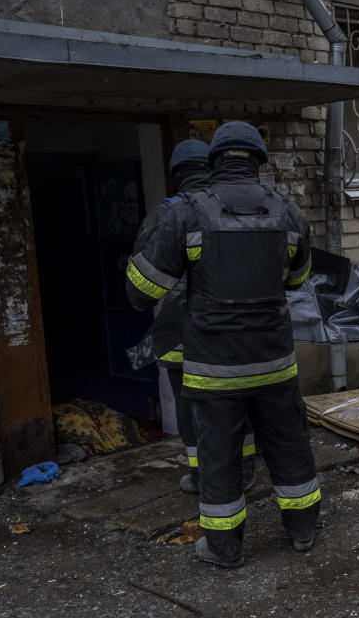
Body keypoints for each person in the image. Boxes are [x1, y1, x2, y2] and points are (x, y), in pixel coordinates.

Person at [126, 122, 320, 567]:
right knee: (290, 447)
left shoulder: (185, 214)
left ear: (215, 162)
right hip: (274, 363)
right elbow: (297, 279)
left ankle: (224, 549)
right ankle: (304, 532)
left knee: (218, 460)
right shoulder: (289, 211)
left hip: (214, 370)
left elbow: (142, 293)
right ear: (258, 163)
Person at [133, 139, 257, 495]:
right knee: (237, 402)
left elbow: (142, 278)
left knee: (190, 409)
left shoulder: (164, 214)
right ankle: (245, 467)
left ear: (176, 176)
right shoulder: (232, 205)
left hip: (179, 334)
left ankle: (203, 474)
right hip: (234, 330)